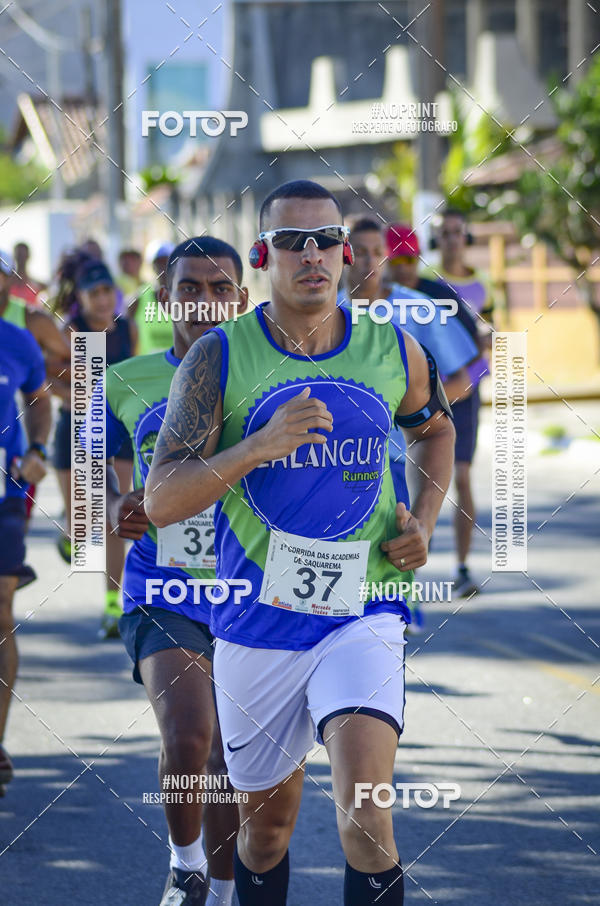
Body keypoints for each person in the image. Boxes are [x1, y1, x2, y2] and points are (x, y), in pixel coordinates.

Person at [146, 180, 456, 906]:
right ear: (263, 256)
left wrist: (427, 524)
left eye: (325, 240)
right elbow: (161, 498)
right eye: (291, 241)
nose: (311, 253)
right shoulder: (219, 357)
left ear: (348, 254)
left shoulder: (392, 348)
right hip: (258, 626)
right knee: (264, 834)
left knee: (367, 819)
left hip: (365, 609)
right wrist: (256, 447)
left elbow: (436, 429)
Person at [96, 236, 247, 905]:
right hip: (163, 587)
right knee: (190, 737)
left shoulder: (268, 374)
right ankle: (186, 867)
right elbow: (103, 486)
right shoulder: (123, 378)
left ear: (242, 299)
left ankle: (221, 890)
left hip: (251, 590)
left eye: (221, 289)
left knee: (229, 763)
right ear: (166, 297)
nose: (206, 303)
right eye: (191, 287)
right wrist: (114, 511)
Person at [51, 256, 137, 637]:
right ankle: (69, 529)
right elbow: (44, 378)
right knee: (80, 528)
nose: (103, 300)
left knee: (114, 517)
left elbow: (132, 375)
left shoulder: (125, 328)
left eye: (108, 291)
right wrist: (74, 398)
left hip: (115, 431)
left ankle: (112, 605)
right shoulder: (70, 331)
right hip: (75, 430)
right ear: (80, 297)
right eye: (94, 293)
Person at [0, 305, 52, 796]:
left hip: (5, 495)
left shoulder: (17, 340)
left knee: (1, 612)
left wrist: (36, 450)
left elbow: (38, 399)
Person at [432, 209, 495, 597]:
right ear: (438, 240)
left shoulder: (484, 287)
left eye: (458, 232)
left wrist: (467, 382)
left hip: (467, 396)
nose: (453, 239)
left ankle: (462, 569)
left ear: (466, 236)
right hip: (429, 394)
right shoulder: (426, 283)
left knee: (463, 477)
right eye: (445, 233)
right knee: (414, 478)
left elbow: (492, 341)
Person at [133, 241, 176, 354]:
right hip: (145, 369)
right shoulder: (139, 298)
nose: (163, 267)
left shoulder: (187, 298)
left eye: (168, 262)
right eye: (159, 263)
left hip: (178, 369)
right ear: (152, 266)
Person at [10, 241, 46, 307]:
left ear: (28, 256)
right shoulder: (7, 284)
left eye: (23, 255)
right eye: (19, 255)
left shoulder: (38, 286)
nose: (21, 259)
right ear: (15, 256)